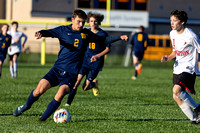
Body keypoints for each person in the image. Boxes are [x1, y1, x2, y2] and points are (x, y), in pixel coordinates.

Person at [13, 9, 128, 122]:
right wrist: (41, 33)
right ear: (72, 20)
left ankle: (42, 120)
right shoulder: (63, 30)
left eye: (83, 22)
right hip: (57, 70)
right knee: (39, 90)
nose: (81, 24)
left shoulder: (86, 33)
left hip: (71, 74)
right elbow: (49, 32)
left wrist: (120, 37)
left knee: (61, 93)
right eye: (78, 21)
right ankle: (26, 106)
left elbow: (104, 39)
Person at [65, 12, 128, 106]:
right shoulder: (85, 32)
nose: (93, 23)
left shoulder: (103, 34)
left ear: (99, 23)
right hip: (84, 62)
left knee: (85, 88)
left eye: (95, 21)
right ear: (88, 22)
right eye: (91, 21)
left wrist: (97, 56)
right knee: (76, 82)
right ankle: (68, 104)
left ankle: (93, 85)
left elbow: (108, 49)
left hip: (95, 64)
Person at [161, 10, 200, 124]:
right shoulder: (172, 33)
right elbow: (175, 52)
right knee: (176, 96)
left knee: (176, 90)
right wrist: (167, 58)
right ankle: (194, 118)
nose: (172, 23)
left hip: (189, 68)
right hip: (178, 67)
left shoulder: (191, 36)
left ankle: (198, 108)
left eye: (175, 21)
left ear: (182, 22)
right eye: (171, 20)